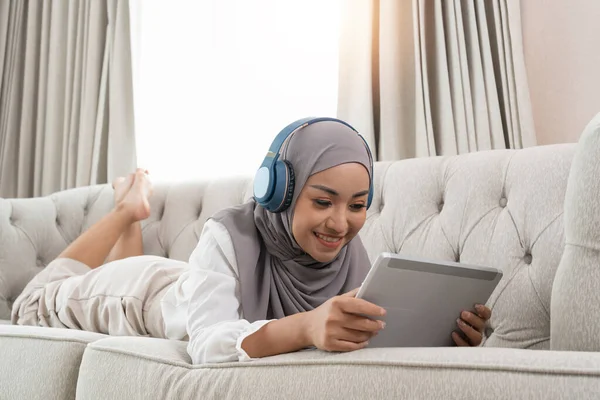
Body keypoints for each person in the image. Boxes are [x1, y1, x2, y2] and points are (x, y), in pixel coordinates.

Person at [11, 118, 491, 364]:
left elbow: (360, 340)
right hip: (140, 295)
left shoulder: (349, 255)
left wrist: (444, 337)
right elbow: (207, 345)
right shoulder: (228, 232)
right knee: (32, 301)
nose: (341, 224)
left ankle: (133, 217)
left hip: (191, 289)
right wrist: (305, 328)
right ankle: (126, 210)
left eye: (357, 204)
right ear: (277, 191)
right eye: (322, 202)